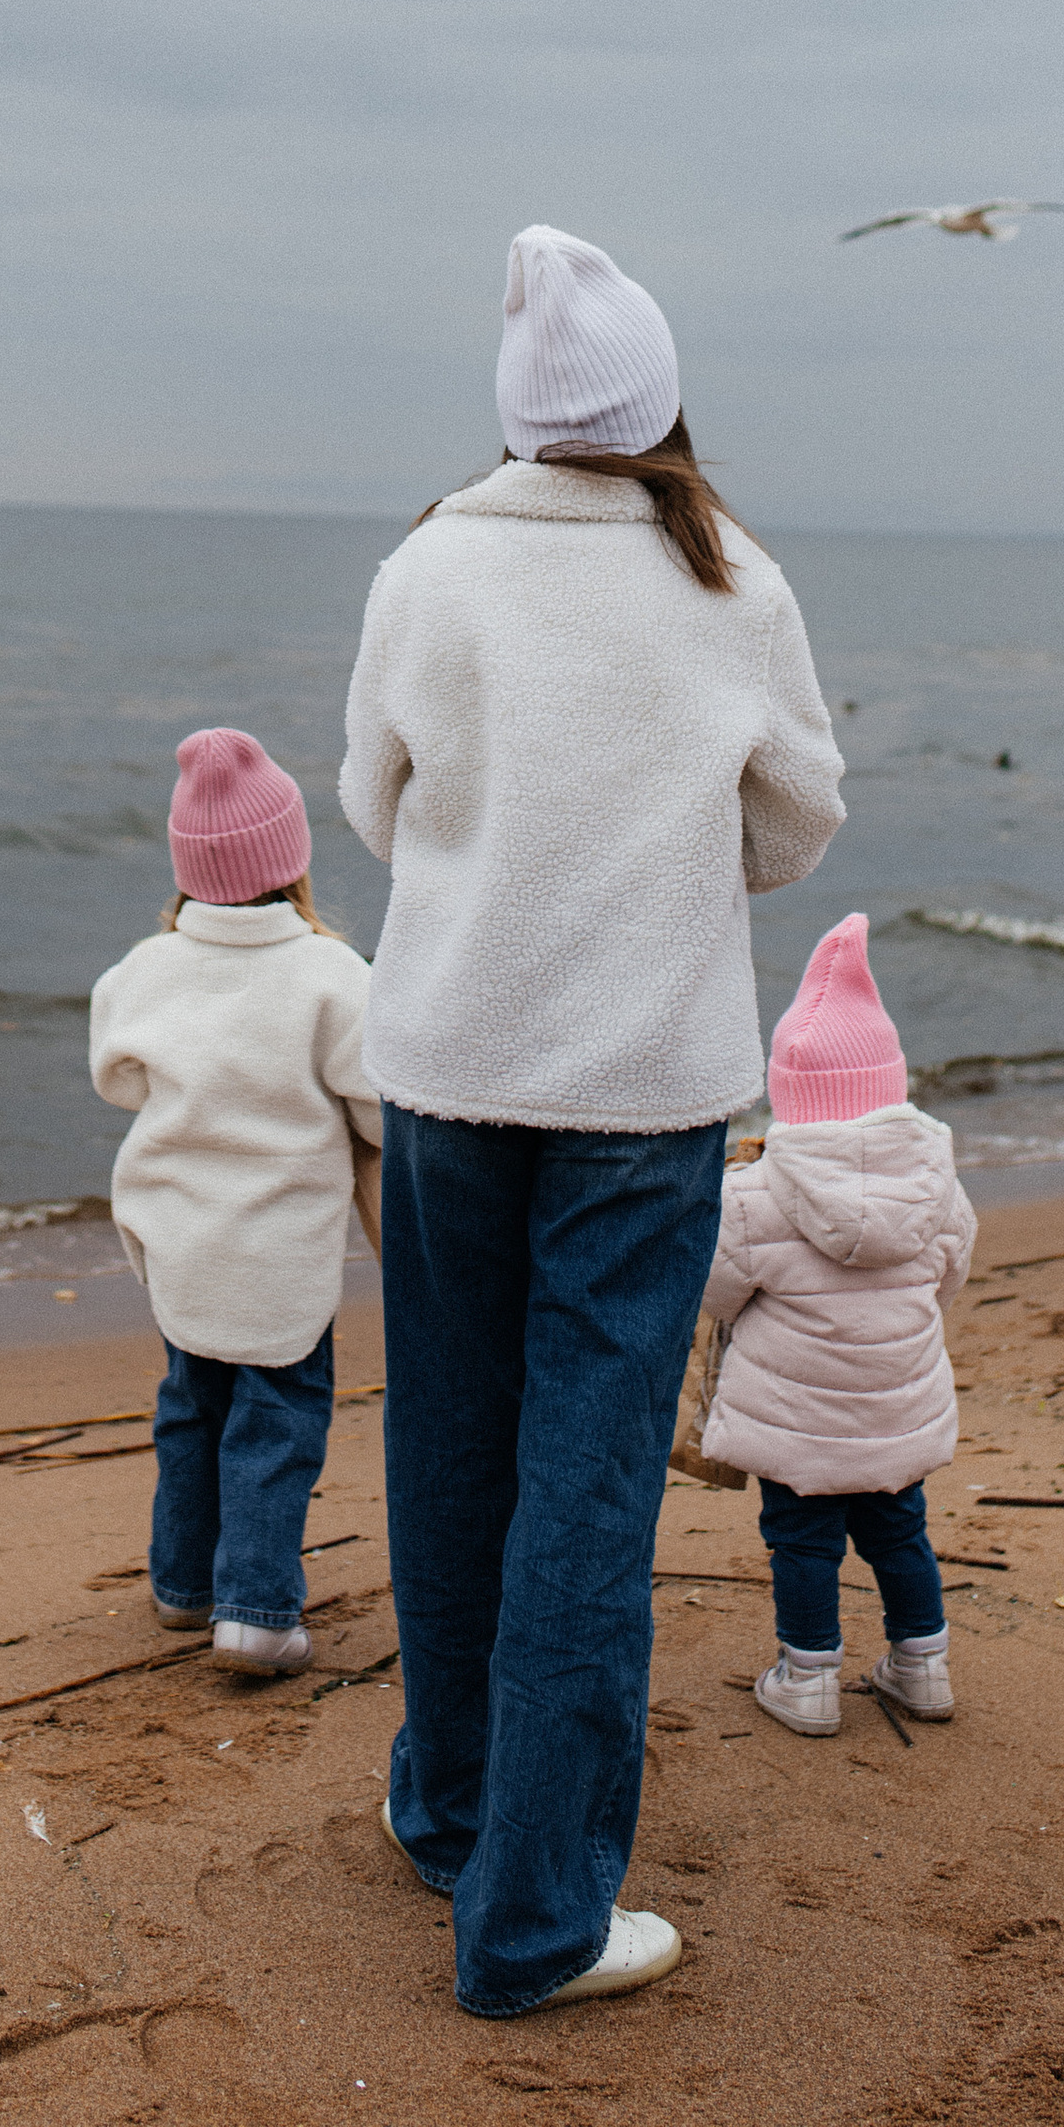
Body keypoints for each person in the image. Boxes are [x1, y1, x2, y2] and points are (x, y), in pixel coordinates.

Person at [340, 224, 848, 2018]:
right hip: (642, 1095)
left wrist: (502, 854)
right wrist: (660, 855)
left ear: (518, 411)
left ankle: (453, 1813)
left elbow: (375, 806)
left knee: (450, 1450)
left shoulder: (432, 564)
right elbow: (797, 822)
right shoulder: (730, 579)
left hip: (449, 1070)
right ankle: (537, 1918)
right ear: (659, 408)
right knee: (585, 1485)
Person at [88, 727, 381, 1676]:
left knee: (192, 1405)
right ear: (292, 859)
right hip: (278, 1249)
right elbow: (378, 1109)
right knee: (276, 1420)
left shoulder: (145, 969)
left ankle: (182, 1585)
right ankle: (255, 1611)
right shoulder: (333, 977)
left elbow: (117, 1079)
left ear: (187, 865)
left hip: (176, 1235)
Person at [696, 913, 975, 1736]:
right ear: (891, 1087)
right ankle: (922, 1666)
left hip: (798, 1417)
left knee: (802, 1540)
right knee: (900, 1533)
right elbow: (948, 1278)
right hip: (895, 1405)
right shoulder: (935, 1186)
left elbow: (716, 1295)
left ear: (788, 1093)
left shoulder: (751, 1196)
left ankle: (809, 1675)